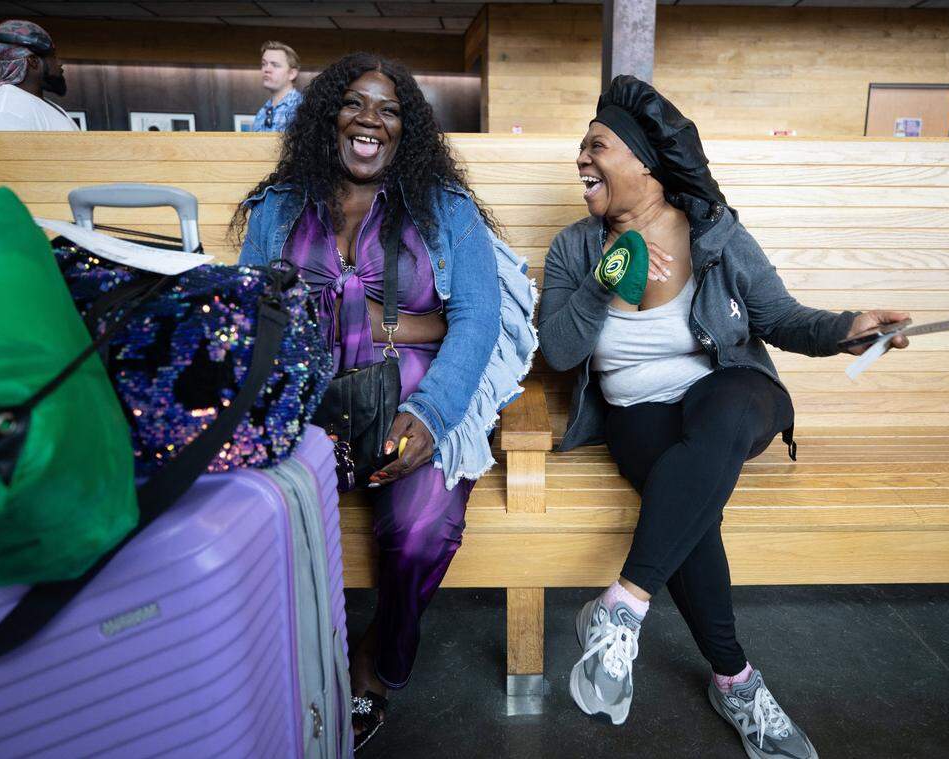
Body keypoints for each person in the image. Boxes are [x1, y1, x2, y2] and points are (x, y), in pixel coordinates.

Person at [538, 75, 909, 759]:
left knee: (733, 407)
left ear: (644, 160)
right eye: (581, 147)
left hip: (725, 393)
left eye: (597, 145)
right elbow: (559, 349)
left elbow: (780, 317)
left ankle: (624, 603)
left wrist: (847, 329)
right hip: (639, 413)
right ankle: (736, 680)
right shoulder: (576, 249)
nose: (581, 159)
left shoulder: (713, 232)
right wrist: (603, 281)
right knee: (689, 501)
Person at [235, 53, 536, 751]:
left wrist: (432, 413)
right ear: (326, 117)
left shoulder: (445, 209)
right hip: (302, 407)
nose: (371, 119)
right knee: (248, 515)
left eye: (389, 109)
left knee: (424, 526)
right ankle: (278, 670)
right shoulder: (280, 205)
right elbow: (248, 310)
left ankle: (382, 659)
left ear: (409, 131)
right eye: (354, 103)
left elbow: (479, 321)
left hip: (413, 403)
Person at [0, 20, 77, 132]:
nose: (59, 64)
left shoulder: (26, 102)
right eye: (53, 56)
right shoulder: (5, 111)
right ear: (33, 61)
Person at [252, 41, 303, 132]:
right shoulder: (262, 112)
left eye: (275, 65)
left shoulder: (303, 107)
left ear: (292, 74)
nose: (266, 69)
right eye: (264, 64)